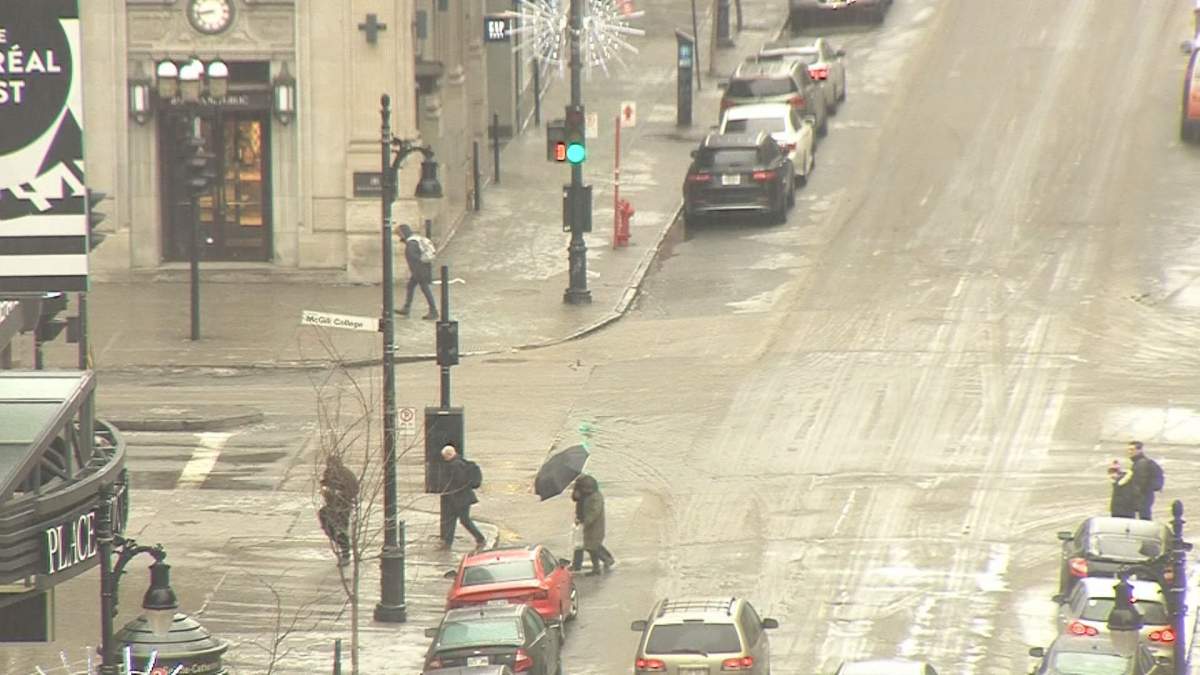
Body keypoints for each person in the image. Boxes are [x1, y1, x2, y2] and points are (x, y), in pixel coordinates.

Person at [439, 444, 486, 551]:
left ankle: (480, 538)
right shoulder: (460, 461)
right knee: (457, 520)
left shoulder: (455, 465)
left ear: (449, 455)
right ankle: (448, 542)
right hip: (461, 498)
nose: (444, 459)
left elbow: (459, 481)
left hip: (459, 499)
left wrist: (449, 490)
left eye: (445, 457)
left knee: (461, 520)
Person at [318, 454, 359, 567]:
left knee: (341, 528)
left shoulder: (346, 474)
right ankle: (341, 544)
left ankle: (345, 552)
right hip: (331, 504)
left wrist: (341, 493)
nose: (330, 467)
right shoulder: (328, 473)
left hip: (343, 505)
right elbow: (325, 484)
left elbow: (354, 489)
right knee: (326, 519)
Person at [572, 474, 615, 575]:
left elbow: (594, 512)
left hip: (594, 526)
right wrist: (576, 493)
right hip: (583, 522)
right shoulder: (583, 494)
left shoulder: (595, 497)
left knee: (593, 546)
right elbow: (575, 499)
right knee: (589, 546)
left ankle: (604, 561)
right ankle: (598, 566)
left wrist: (586, 522)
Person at [396, 224, 438, 320]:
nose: (399, 236)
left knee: (425, 289)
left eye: (399, 234)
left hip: (419, 270)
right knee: (410, 286)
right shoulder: (416, 239)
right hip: (423, 267)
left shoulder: (411, 244)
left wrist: (416, 273)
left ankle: (433, 311)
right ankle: (406, 307)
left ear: (403, 233)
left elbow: (414, 259)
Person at [1128, 440, 1164, 520]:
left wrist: (1134, 497)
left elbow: (1140, 483)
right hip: (1144, 497)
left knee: (1144, 520)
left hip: (1142, 498)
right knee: (1144, 518)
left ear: (1139, 450)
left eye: (1132, 449)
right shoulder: (1139, 462)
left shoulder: (1141, 464)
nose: (1129, 452)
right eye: (1129, 449)